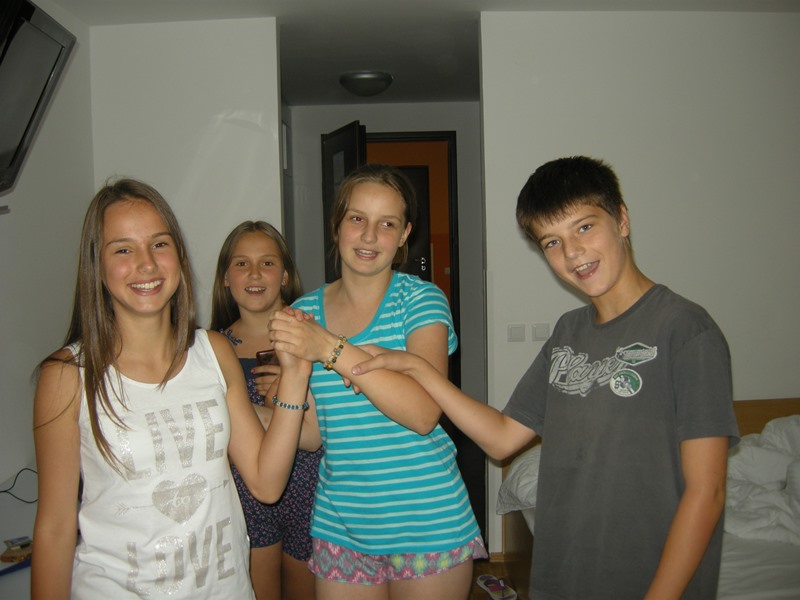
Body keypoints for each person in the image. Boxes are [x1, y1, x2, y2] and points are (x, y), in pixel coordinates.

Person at [351, 156, 740, 599]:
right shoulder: (568, 333)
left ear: (622, 219)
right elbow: (502, 438)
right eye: (552, 242)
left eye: (584, 227)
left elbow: (706, 493)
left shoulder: (685, 330)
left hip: (647, 580)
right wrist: (418, 368)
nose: (572, 253)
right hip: (566, 573)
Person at [31, 179, 311, 600]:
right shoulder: (67, 376)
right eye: (123, 250)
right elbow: (55, 529)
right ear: (97, 265)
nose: (146, 263)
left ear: (179, 256)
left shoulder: (214, 352)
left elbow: (267, 484)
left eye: (159, 244)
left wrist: (296, 374)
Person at [268, 163, 486, 600]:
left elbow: (424, 413)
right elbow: (313, 435)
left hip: (427, 523)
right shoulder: (306, 312)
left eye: (387, 224)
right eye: (357, 219)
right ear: (337, 226)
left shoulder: (421, 301)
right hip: (341, 526)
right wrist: (270, 399)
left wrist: (329, 348)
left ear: (404, 235)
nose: (369, 236)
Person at [210, 221, 322, 600]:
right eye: (242, 264)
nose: (255, 274)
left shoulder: (311, 333)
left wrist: (289, 390)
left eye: (267, 263)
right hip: (245, 495)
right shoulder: (212, 349)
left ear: (285, 275)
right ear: (226, 278)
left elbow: (316, 436)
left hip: (310, 490)